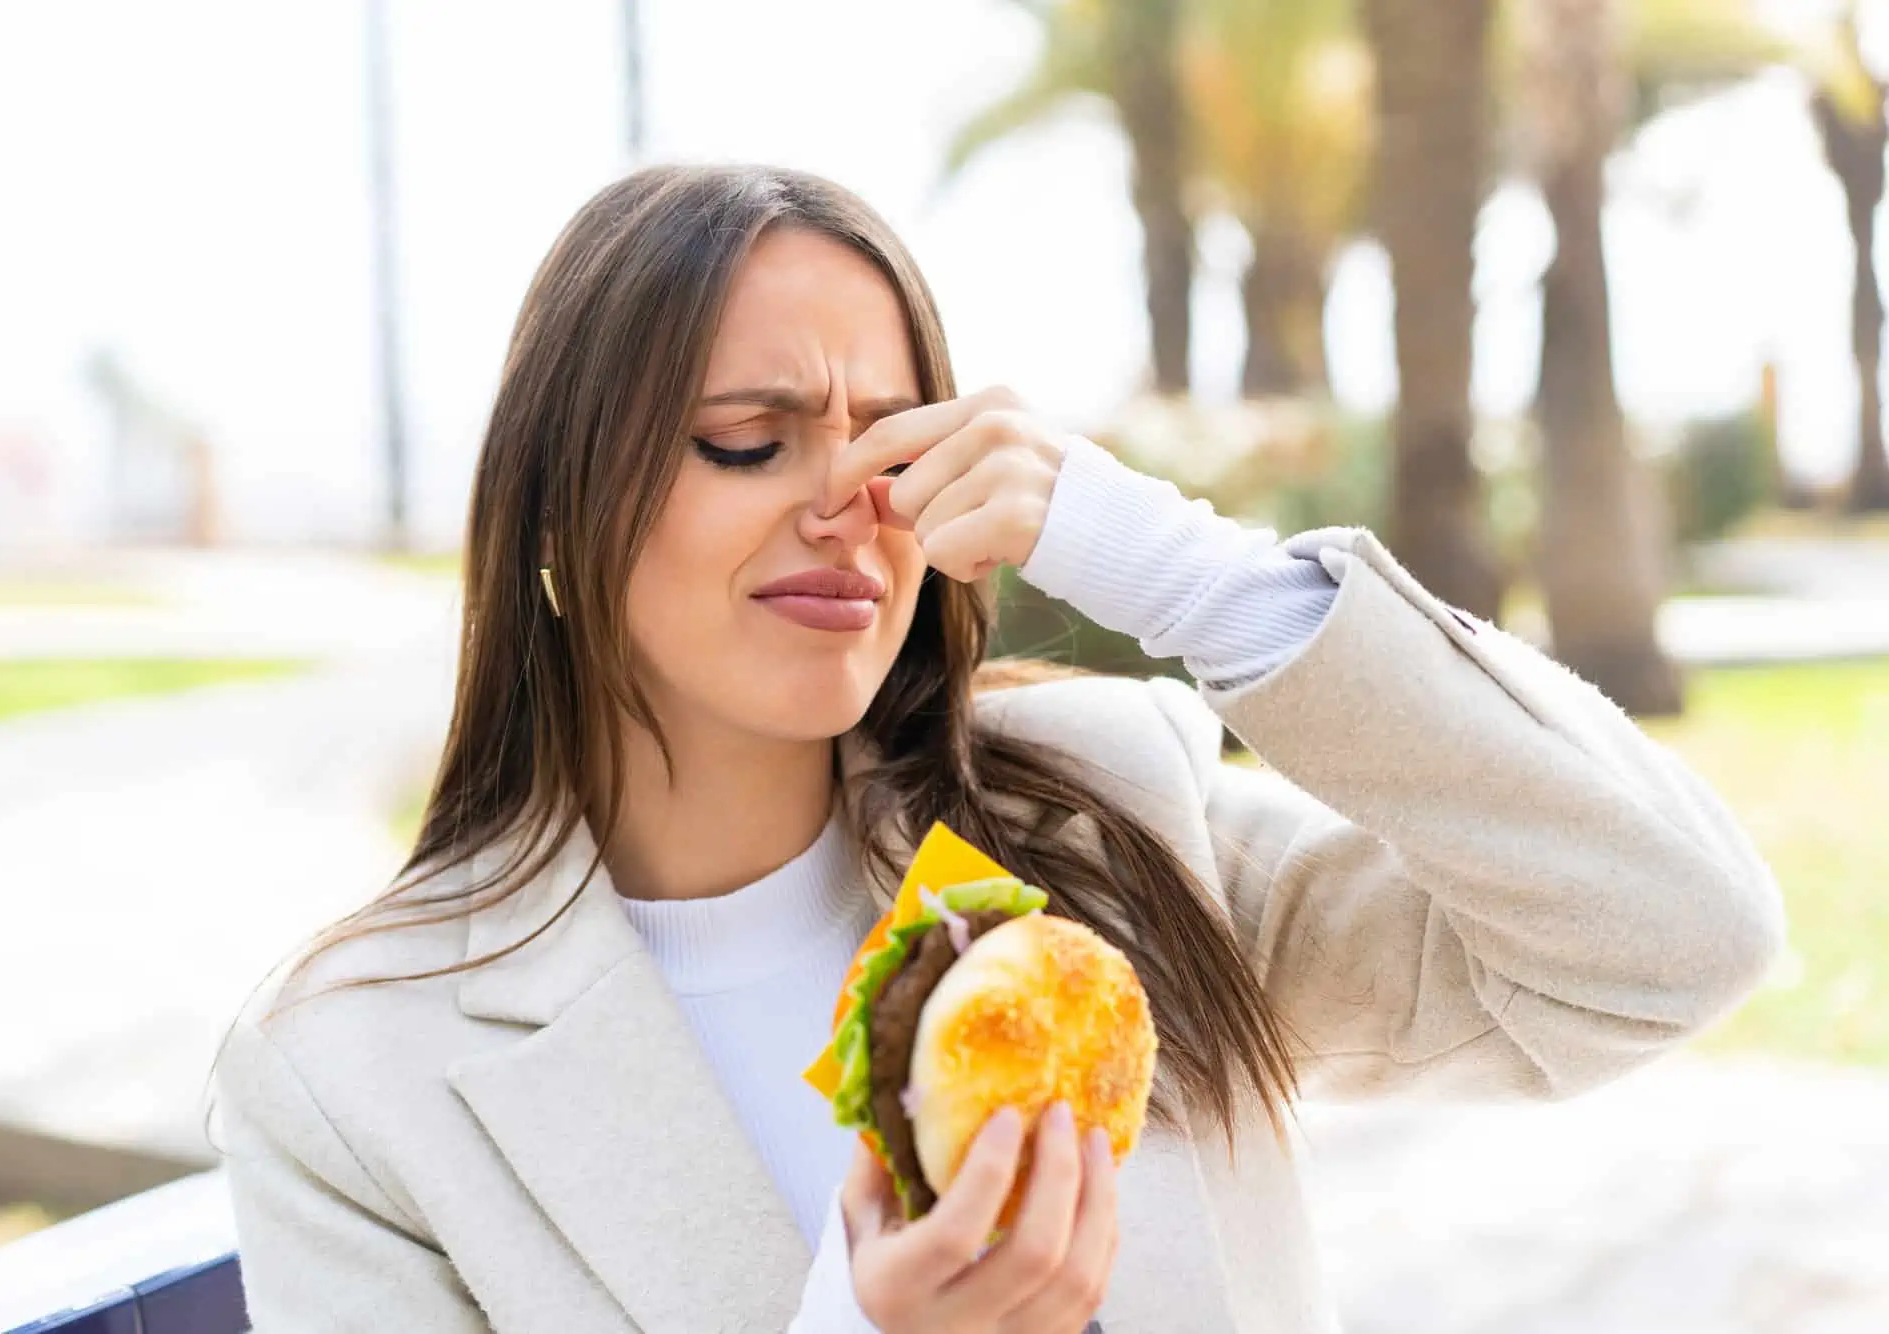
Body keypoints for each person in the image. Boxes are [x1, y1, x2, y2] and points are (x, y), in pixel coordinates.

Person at [210, 164, 1784, 1334]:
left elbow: (1670, 938)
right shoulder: (358, 1073)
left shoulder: (1111, 821)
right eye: (748, 440)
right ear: (555, 506)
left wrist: (1180, 568)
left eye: (895, 440)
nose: (848, 502)